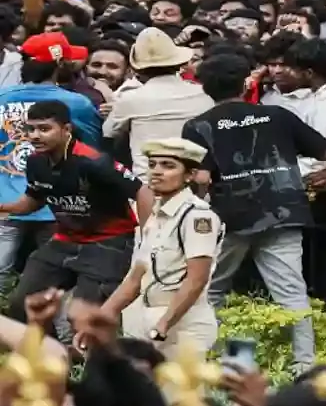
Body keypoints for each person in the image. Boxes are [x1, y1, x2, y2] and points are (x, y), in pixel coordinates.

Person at [182, 52, 326, 370]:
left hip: (229, 218)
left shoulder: (198, 126)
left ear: (204, 87)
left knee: (212, 290)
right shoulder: (277, 115)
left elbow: (202, 178)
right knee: (291, 291)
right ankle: (304, 364)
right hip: (284, 210)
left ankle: (217, 361)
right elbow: (324, 149)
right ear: (245, 82)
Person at [0, 100, 144, 319]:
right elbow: (32, 201)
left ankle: (86, 351)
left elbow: (142, 191)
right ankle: (51, 352)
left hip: (108, 243)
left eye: (44, 129)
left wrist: (151, 237)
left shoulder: (93, 161)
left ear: (66, 129)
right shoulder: (35, 162)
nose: (35, 135)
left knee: (82, 318)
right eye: (31, 129)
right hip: (65, 241)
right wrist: (3, 207)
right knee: (25, 304)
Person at [0, 33, 105, 285]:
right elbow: (92, 148)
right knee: (54, 277)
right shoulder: (76, 103)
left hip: (5, 200)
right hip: (56, 202)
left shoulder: (2, 97)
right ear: (60, 64)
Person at [100, 137, 221, 353]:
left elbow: (197, 278)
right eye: (152, 165)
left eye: (168, 166)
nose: (156, 171)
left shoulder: (197, 216)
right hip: (146, 315)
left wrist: (164, 323)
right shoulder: (157, 214)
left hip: (182, 323)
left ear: (189, 175)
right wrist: (101, 317)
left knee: (178, 387)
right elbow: (137, 276)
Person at [102, 26, 214, 178]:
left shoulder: (130, 98)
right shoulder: (204, 93)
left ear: (137, 69)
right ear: (178, 63)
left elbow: (108, 133)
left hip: (149, 182)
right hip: (195, 179)